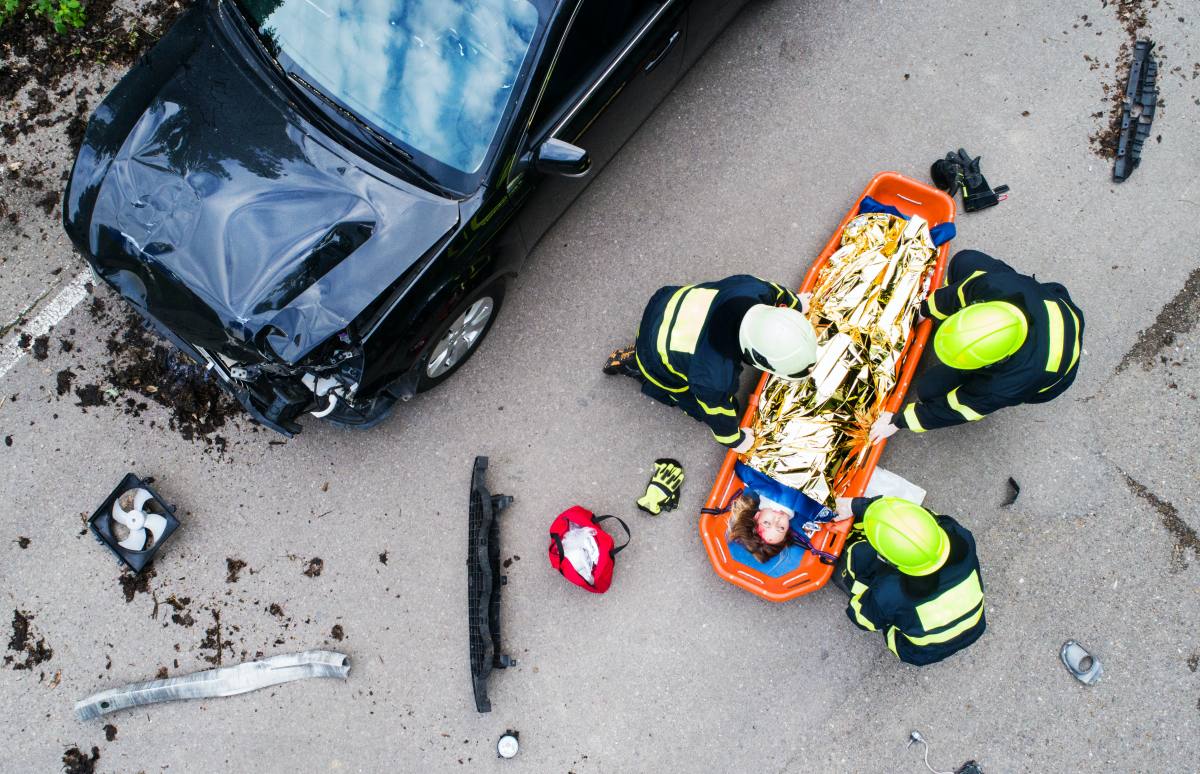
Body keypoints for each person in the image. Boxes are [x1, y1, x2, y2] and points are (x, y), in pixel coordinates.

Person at [869, 250, 1084, 443]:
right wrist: (923, 312)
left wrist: (898, 421)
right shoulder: (995, 286)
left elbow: (960, 408)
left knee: (929, 389)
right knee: (965, 261)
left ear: (996, 361)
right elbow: (958, 293)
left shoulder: (1006, 385)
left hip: (1052, 378)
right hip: (1048, 302)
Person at [604, 275, 817, 451]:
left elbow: (778, 293)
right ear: (756, 357)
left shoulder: (754, 289)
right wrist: (736, 440)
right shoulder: (713, 379)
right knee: (693, 401)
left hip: (666, 302)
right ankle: (636, 365)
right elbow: (718, 415)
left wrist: (796, 305)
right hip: (654, 351)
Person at [831, 495, 985, 666]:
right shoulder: (962, 537)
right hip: (976, 628)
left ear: (890, 561)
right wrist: (856, 506)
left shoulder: (891, 593)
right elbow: (922, 519)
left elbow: (861, 618)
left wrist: (869, 592)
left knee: (860, 560)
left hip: (920, 652)